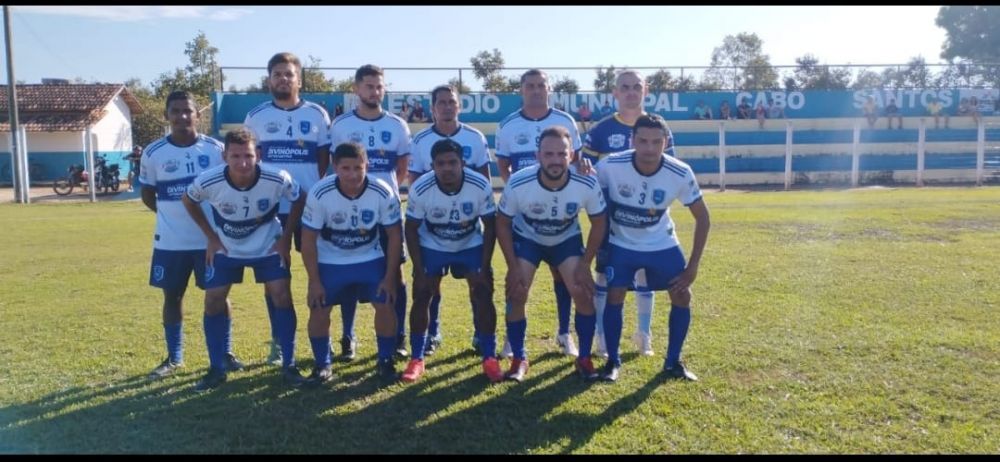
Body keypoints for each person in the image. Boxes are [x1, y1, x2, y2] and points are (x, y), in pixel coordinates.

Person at [182, 127, 306, 392]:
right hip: (227, 248)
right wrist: (211, 237)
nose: (243, 162)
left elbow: (299, 198)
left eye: (248, 155)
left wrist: (285, 239)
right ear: (225, 156)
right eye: (236, 156)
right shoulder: (208, 180)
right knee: (213, 298)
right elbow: (188, 200)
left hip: (267, 246)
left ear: (257, 155)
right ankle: (217, 367)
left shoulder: (277, 177)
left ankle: (289, 365)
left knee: (281, 295)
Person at [595, 113, 710, 382]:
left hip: (661, 244)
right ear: (632, 140)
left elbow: (703, 218)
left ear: (665, 142)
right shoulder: (610, 165)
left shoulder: (680, 172)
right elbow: (593, 200)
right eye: (643, 141)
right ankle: (612, 361)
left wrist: (692, 267)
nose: (649, 149)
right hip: (621, 243)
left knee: (682, 295)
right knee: (615, 295)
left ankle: (672, 362)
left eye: (656, 142)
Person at [139, 91, 244, 380]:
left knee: (219, 297)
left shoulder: (215, 150)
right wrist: (172, 218)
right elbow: (148, 195)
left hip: (210, 242)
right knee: (172, 297)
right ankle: (174, 357)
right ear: (167, 115)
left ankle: (225, 351)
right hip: (171, 242)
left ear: (199, 115)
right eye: (176, 111)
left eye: (188, 111)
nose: (182, 116)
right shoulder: (153, 153)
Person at [496, 126, 608, 382]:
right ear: (538, 156)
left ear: (571, 156)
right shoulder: (520, 181)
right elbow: (502, 222)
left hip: (565, 239)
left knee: (582, 292)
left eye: (561, 154)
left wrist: (585, 262)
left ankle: (584, 358)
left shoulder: (586, 181)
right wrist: (512, 266)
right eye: (549, 154)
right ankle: (519, 358)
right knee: (516, 292)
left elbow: (599, 221)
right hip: (529, 238)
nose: (555, 160)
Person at [243, 52, 332, 367]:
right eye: (277, 74)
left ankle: (323, 338)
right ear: (269, 79)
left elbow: (323, 163)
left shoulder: (318, 115)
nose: (283, 79)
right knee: (275, 279)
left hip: (310, 209)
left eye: (289, 74)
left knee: (319, 273)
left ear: (299, 79)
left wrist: (313, 192)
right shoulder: (256, 117)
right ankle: (280, 342)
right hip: (271, 211)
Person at [581, 69, 677, 358]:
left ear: (645, 90)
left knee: (645, 277)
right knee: (604, 278)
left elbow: (672, 170)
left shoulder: (661, 128)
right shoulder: (600, 132)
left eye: (637, 86)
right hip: (611, 225)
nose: (631, 92)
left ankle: (643, 335)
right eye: (625, 87)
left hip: (649, 221)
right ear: (615, 92)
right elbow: (586, 175)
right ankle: (601, 338)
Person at [494, 68, 586, 357]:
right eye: (530, 85)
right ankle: (512, 340)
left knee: (565, 277)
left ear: (549, 89)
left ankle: (563, 333)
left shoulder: (565, 120)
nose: (535, 90)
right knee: (519, 281)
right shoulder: (508, 125)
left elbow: (578, 161)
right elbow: (503, 166)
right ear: (521, 90)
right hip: (525, 218)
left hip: (562, 216)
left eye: (541, 85)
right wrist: (521, 196)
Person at [300, 142, 403, 386]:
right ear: (335, 167)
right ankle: (323, 365)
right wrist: (314, 281)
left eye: (358, 167)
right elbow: (308, 239)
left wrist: (389, 278)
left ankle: (385, 360)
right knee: (318, 307)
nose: (353, 174)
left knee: (386, 304)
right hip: (331, 261)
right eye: (346, 168)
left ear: (367, 165)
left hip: (369, 258)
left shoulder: (382, 190)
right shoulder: (320, 192)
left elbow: (395, 235)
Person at [329, 64, 412, 362]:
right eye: (368, 86)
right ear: (356, 89)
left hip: (386, 212)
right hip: (349, 210)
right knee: (347, 272)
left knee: (397, 273)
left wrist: (383, 195)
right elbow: (335, 165)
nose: (374, 92)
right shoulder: (340, 125)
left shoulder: (397, 125)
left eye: (379, 87)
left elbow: (401, 168)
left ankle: (398, 336)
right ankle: (348, 337)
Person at [402, 139, 502, 383]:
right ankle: (416, 358)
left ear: (463, 163)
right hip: (432, 243)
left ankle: (489, 357)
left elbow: (490, 225)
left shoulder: (479, 185)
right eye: (441, 163)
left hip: (469, 243)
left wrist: (484, 263)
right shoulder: (420, 188)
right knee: (423, 293)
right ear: (432, 165)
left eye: (452, 162)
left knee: (482, 292)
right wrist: (419, 267)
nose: (447, 168)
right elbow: (411, 228)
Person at [407, 85, 493, 356]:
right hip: (432, 225)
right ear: (432, 108)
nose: (446, 107)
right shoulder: (420, 141)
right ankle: (432, 332)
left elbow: (484, 181)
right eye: (441, 103)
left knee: (479, 284)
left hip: (468, 228)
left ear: (459, 106)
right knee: (429, 285)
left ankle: (481, 336)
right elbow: (415, 182)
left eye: (451, 102)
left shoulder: (475, 137)